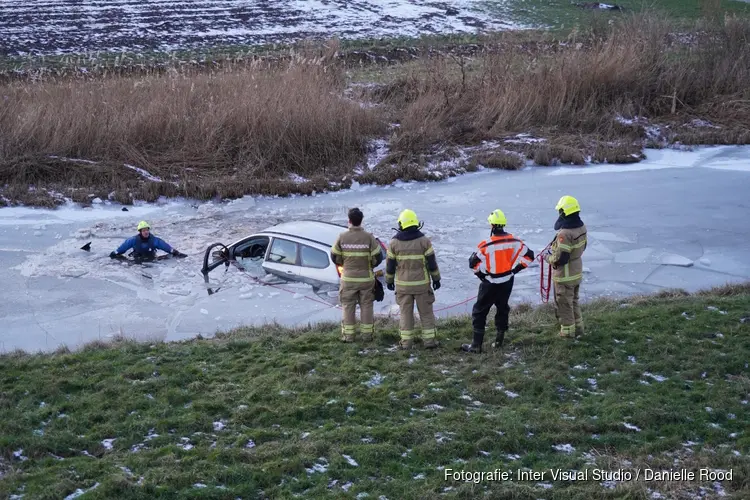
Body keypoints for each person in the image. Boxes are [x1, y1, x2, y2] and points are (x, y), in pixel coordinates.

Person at [461, 209, 535, 353]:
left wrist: (481, 275)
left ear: (492, 226)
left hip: (490, 283)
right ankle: (499, 340)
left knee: (479, 311)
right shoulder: (515, 242)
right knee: (502, 308)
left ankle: (476, 346)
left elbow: (473, 263)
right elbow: (529, 256)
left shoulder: (485, 245)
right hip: (507, 281)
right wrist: (516, 269)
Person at [385, 209, 441, 350]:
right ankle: (430, 342)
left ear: (401, 224)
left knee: (405, 314)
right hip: (422, 285)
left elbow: (390, 266)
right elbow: (432, 263)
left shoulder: (394, 243)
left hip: (403, 286)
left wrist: (389, 281)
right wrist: (436, 279)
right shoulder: (424, 241)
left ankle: (406, 343)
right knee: (426, 313)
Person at [330, 208, 384, 343]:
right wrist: (370, 265)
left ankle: (348, 337)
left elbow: (334, 256)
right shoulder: (369, 237)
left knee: (348, 306)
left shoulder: (342, 237)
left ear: (349, 220)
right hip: (366, 278)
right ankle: (367, 336)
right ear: (361, 220)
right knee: (366, 306)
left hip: (348, 279)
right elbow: (378, 256)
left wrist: (344, 263)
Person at [546, 195, 587, 338]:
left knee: (564, 304)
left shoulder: (564, 234)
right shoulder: (581, 227)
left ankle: (567, 333)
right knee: (574, 301)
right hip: (576, 272)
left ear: (564, 212)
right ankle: (579, 328)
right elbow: (583, 247)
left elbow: (561, 258)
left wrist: (548, 258)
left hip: (565, 276)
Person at [110, 221, 186, 262]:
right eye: (144, 230)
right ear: (140, 232)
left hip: (152, 259)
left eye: (147, 230)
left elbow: (166, 247)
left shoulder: (154, 240)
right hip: (137, 261)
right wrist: (115, 253)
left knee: (170, 257)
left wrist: (175, 252)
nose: (146, 232)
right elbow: (123, 248)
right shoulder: (133, 240)